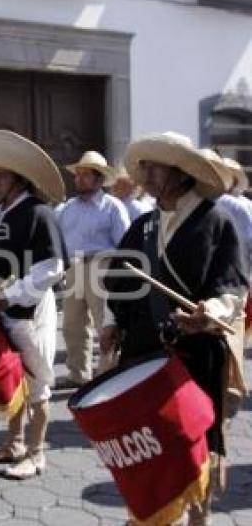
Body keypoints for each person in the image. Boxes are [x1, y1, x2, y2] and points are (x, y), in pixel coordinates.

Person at [102, 132, 248, 525]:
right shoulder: (143, 226)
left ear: (182, 173)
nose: (145, 174)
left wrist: (210, 310)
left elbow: (232, 283)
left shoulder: (216, 221)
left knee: (194, 446)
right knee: (149, 446)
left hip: (195, 356)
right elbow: (119, 281)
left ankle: (198, 520)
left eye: (155, 166)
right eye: (143, 166)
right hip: (143, 356)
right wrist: (111, 323)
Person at [0, 130, 68, 479]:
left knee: (36, 383)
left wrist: (11, 295)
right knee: (11, 380)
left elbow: (53, 267)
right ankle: (13, 443)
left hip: (29, 312)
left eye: (1, 174)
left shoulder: (39, 213)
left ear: (18, 177)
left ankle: (37, 452)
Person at [56, 151, 130, 384]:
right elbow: (56, 240)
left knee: (105, 324)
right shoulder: (66, 209)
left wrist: (119, 276)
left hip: (102, 266)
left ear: (99, 179)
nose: (78, 179)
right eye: (78, 175)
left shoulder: (113, 207)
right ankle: (78, 374)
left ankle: (108, 373)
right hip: (74, 268)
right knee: (72, 325)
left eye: (85, 175)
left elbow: (125, 244)